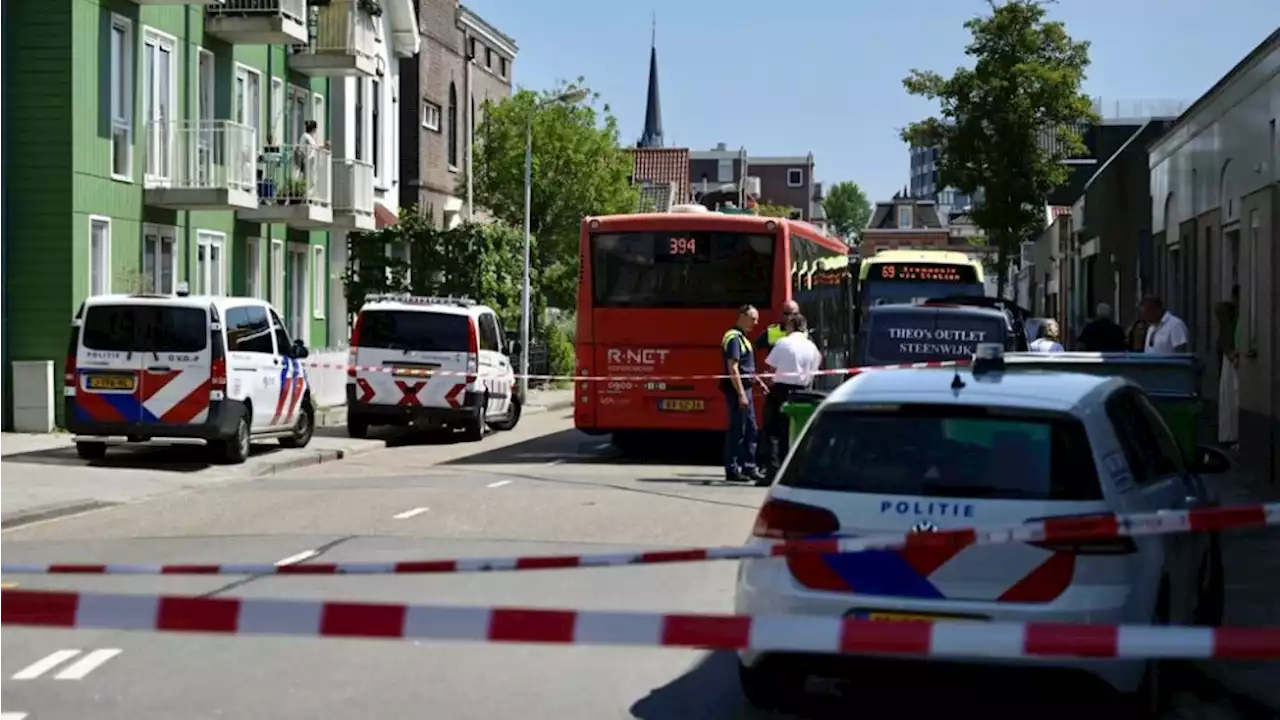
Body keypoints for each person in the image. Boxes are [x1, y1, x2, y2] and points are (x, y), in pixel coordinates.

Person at [759, 314, 823, 485]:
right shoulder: (812, 348)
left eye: (787, 325)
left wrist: (766, 381)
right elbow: (814, 372)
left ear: (792, 326)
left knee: (773, 433)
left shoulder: (783, 343)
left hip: (780, 391)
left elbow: (771, 370)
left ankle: (773, 472)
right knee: (796, 433)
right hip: (803, 392)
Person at [722, 305, 765, 483]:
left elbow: (746, 367)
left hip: (746, 388)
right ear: (742, 316)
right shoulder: (733, 338)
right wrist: (741, 393)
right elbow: (732, 367)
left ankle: (749, 467)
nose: (756, 323)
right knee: (738, 430)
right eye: (753, 318)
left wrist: (758, 381)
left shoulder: (743, 338)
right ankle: (732, 469)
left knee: (751, 429)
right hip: (737, 390)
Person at [1215, 285, 1241, 448]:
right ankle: (1229, 435)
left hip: (1231, 359)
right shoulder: (1232, 318)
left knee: (1231, 397)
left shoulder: (1235, 319)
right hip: (1230, 361)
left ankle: (1228, 435)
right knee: (1231, 397)